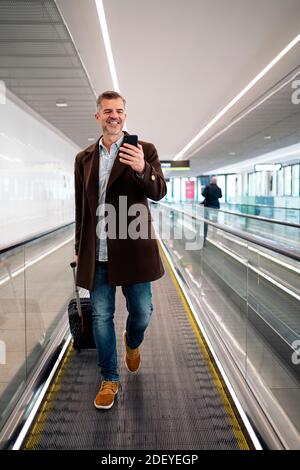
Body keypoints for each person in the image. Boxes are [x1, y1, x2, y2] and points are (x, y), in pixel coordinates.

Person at [74, 91, 167, 410]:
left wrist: (143, 168)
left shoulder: (145, 149)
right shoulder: (84, 157)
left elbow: (158, 193)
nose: (114, 115)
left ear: (125, 116)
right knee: (101, 317)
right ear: (97, 116)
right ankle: (109, 378)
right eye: (107, 111)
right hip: (97, 251)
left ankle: (133, 342)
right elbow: (81, 209)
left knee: (142, 312)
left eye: (119, 111)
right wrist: (79, 249)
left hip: (133, 246)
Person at [201, 176, 222, 241]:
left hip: (208, 206)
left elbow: (203, 194)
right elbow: (220, 196)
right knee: (214, 221)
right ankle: (214, 234)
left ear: (211, 181)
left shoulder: (207, 187)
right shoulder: (218, 188)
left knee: (206, 221)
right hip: (216, 206)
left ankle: (205, 236)